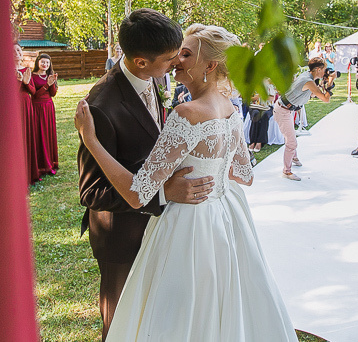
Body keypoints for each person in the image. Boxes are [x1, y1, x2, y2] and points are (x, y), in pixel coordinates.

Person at [75, 24, 298, 341]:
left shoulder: (187, 113)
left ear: (209, 65)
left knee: (175, 315)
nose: (176, 59)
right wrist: (213, 169)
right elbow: (245, 175)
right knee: (216, 305)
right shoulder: (230, 111)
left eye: (186, 53)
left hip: (186, 227)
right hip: (222, 223)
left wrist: (91, 140)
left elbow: (138, 194)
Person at [76, 9, 213, 340]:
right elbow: (91, 192)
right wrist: (164, 193)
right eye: (169, 59)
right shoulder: (101, 106)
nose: (176, 63)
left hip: (155, 229)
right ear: (140, 61)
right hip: (120, 235)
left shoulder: (153, 77)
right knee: (120, 320)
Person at [274, 58, 333, 180]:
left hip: (287, 109)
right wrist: (331, 82)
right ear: (318, 69)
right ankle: (286, 172)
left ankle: (294, 158)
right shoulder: (308, 81)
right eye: (324, 70)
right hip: (283, 111)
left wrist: (323, 81)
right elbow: (326, 99)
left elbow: (313, 93)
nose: (325, 72)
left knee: (291, 137)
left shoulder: (307, 75)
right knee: (291, 142)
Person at [14, 44, 40, 184]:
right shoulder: (5, 70)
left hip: (26, 105)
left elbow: (33, 91)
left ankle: (29, 172)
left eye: (18, 50)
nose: (16, 53)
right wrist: (18, 82)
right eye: (12, 51)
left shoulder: (27, 70)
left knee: (27, 136)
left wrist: (25, 82)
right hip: (13, 107)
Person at [31, 53, 59, 176]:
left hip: (48, 108)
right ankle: (41, 165)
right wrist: (47, 84)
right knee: (39, 133)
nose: (45, 65)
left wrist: (52, 83)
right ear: (38, 62)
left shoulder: (50, 76)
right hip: (37, 107)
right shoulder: (32, 76)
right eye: (43, 62)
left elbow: (52, 94)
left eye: (47, 63)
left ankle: (51, 162)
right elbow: (35, 94)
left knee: (48, 133)